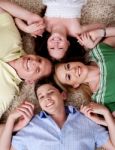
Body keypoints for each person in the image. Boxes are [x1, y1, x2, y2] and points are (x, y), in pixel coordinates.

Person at [0, 80, 115, 150]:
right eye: (41, 97)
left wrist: (106, 114)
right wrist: (11, 119)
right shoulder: (31, 127)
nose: (47, 98)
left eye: (50, 92)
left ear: (63, 95)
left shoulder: (87, 121)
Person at [0, 1, 52, 118]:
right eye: (39, 60)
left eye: (37, 70)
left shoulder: (6, 93)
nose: (33, 62)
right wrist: (28, 16)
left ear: (30, 81)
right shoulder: (13, 38)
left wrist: (14, 124)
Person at [55, 26, 115, 117]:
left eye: (68, 66)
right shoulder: (100, 99)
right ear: (75, 84)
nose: (72, 70)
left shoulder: (98, 51)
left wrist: (99, 33)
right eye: (69, 76)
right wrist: (101, 120)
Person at [36, 0, 104, 60]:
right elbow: (101, 26)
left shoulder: (43, 25)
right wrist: (92, 45)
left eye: (52, 48)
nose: (56, 44)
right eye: (60, 48)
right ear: (68, 44)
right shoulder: (76, 31)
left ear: (47, 44)